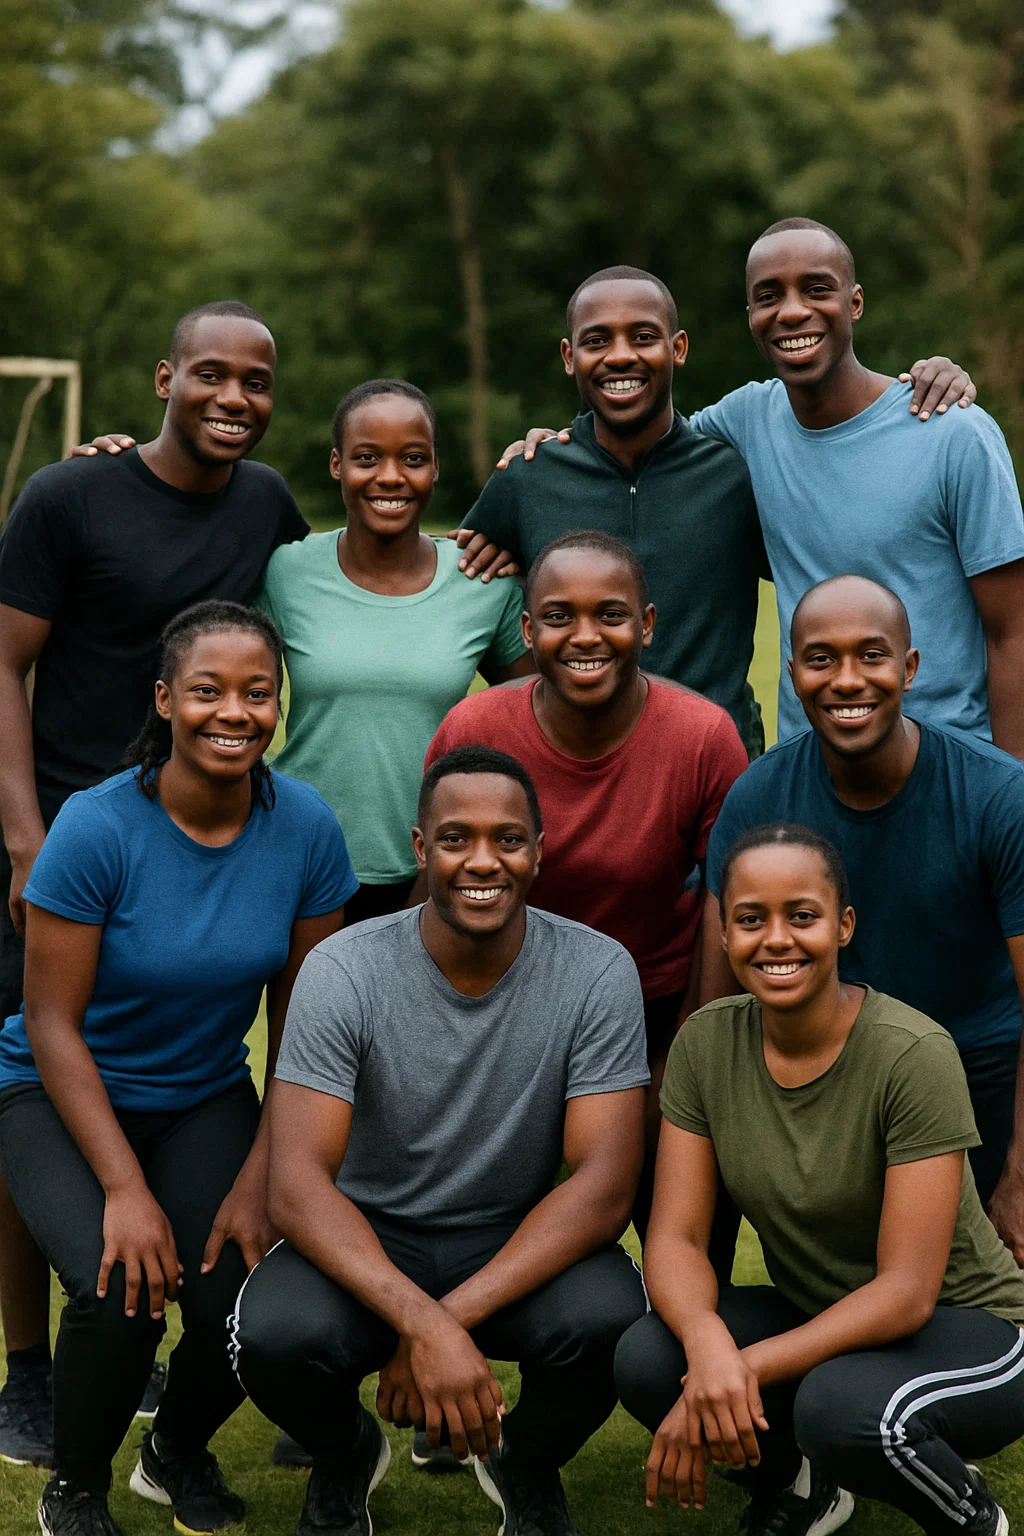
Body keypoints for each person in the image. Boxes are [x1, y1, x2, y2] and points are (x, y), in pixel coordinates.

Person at [0, 300, 309, 1466]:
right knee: (35, 1080)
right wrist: (25, 837)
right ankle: (26, 1371)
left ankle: (234, 1358)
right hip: (67, 845)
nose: (233, 399)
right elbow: (5, 659)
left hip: (199, 837)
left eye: (257, 382)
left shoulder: (269, 501)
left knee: (170, 1072)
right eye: (211, 376)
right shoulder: (69, 497)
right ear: (165, 378)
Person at [0, 602, 357, 1536]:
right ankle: (74, 1488)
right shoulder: (96, 827)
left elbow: (306, 1030)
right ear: (164, 700)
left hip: (202, 1094)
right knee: (120, 1287)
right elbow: (50, 1022)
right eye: (206, 690)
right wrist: (124, 1188)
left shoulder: (307, 828)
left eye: (257, 692)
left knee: (245, 1290)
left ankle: (175, 1452)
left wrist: (258, 1179)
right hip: (56, 1089)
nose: (232, 711)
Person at [229, 746, 650, 1536]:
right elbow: (297, 1187)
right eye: (456, 839)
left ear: (539, 850)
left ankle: (522, 1460)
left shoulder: (598, 971)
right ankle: (345, 1452)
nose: (483, 861)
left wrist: (438, 1321)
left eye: (509, 839)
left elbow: (603, 1190)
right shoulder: (342, 970)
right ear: (421, 850)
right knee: (272, 1335)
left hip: (511, 1236)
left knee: (616, 1323)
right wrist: (420, 1321)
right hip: (369, 1233)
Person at [615, 823, 1024, 1536]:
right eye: (750, 919)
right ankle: (802, 1486)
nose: (776, 940)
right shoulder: (706, 1044)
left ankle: (972, 1517)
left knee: (838, 1408)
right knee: (652, 1358)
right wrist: (710, 1345)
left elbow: (905, 1293)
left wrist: (740, 1370)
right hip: (823, 1315)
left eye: (801, 916)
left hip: (968, 1329)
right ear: (723, 931)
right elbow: (676, 1236)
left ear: (843, 926)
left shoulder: (913, 1053)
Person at [456, 263, 975, 758]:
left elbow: (827, 548)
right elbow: (468, 593)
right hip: (579, 766)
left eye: (642, 337)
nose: (620, 356)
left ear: (677, 348)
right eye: (597, 341)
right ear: (569, 357)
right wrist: (531, 692)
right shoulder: (529, 475)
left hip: (719, 766)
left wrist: (930, 376)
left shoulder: (734, 472)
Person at [424, 531, 748, 1248]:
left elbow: (728, 911)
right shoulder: (476, 729)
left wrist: (686, 1062)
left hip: (657, 1005)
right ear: (528, 629)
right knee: (504, 1241)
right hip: (508, 1010)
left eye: (611, 613)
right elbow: (437, 897)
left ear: (648, 624)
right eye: (560, 616)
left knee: (682, 1235)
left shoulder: (702, 737)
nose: (585, 636)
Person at [701, 573, 1024, 1267]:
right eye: (821, 659)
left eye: (871, 656)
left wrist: (1020, 1175)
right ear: (791, 675)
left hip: (980, 1076)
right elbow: (716, 1002)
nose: (847, 680)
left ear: (909, 668)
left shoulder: (997, 797)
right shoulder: (760, 798)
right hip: (832, 1089)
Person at [255, 378, 532, 924]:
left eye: (412, 458)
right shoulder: (286, 571)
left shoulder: (480, 578)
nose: (390, 477)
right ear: (337, 465)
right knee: (305, 1012)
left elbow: (532, 716)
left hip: (434, 870)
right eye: (366, 458)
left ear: (435, 468)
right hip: (299, 858)